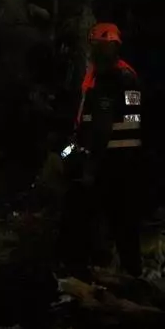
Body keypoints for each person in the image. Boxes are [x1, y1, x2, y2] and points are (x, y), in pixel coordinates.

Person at [59, 22, 144, 277]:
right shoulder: (128, 76)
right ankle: (131, 272)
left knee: (83, 214)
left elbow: (99, 128)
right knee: (123, 220)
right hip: (126, 160)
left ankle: (78, 270)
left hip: (108, 161)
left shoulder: (109, 79)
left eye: (96, 45)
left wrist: (86, 166)